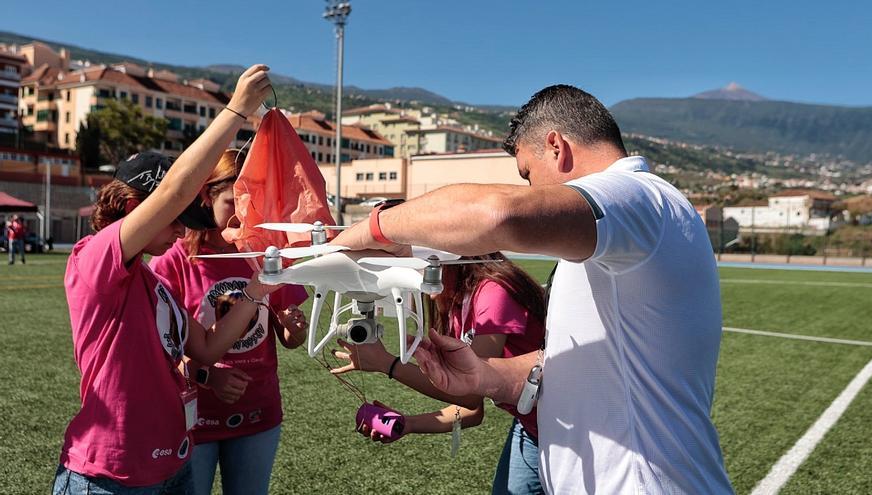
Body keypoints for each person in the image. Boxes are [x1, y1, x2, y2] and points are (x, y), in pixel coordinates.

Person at [331, 85, 734, 494]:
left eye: (527, 174)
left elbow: (499, 214)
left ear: (556, 146)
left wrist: (377, 227)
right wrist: (488, 376)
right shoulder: (619, 231)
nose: (530, 189)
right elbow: (585, 361)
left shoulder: (637, 195)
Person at [53, 64, 277, 495]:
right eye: (175, 219)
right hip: (110, 475)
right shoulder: (94, 260)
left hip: (172, 463)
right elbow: (174, 189)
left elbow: (208, 347)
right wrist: (235, 111)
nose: (181, 230)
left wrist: (257, 290)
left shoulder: (154, 284)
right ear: (137, 206)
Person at [149, 149, 310, 495]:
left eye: (254, 202)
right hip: (193, 418)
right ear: (206, 196)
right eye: (234, 202)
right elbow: (158, 353)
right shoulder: (173, 260)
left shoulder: (265, 252)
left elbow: (287, 336)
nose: (246, 214)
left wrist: (294, 328)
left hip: (259, 415)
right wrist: (209, 376)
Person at [331, 253, 546, 494]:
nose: (415, 271)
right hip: (532, 428)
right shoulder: (457, 301)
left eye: (421, 261)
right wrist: (408, 424)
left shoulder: (493, 291)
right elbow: (472, 412)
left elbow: (470, 394)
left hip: (572, 427)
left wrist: (386, 363)